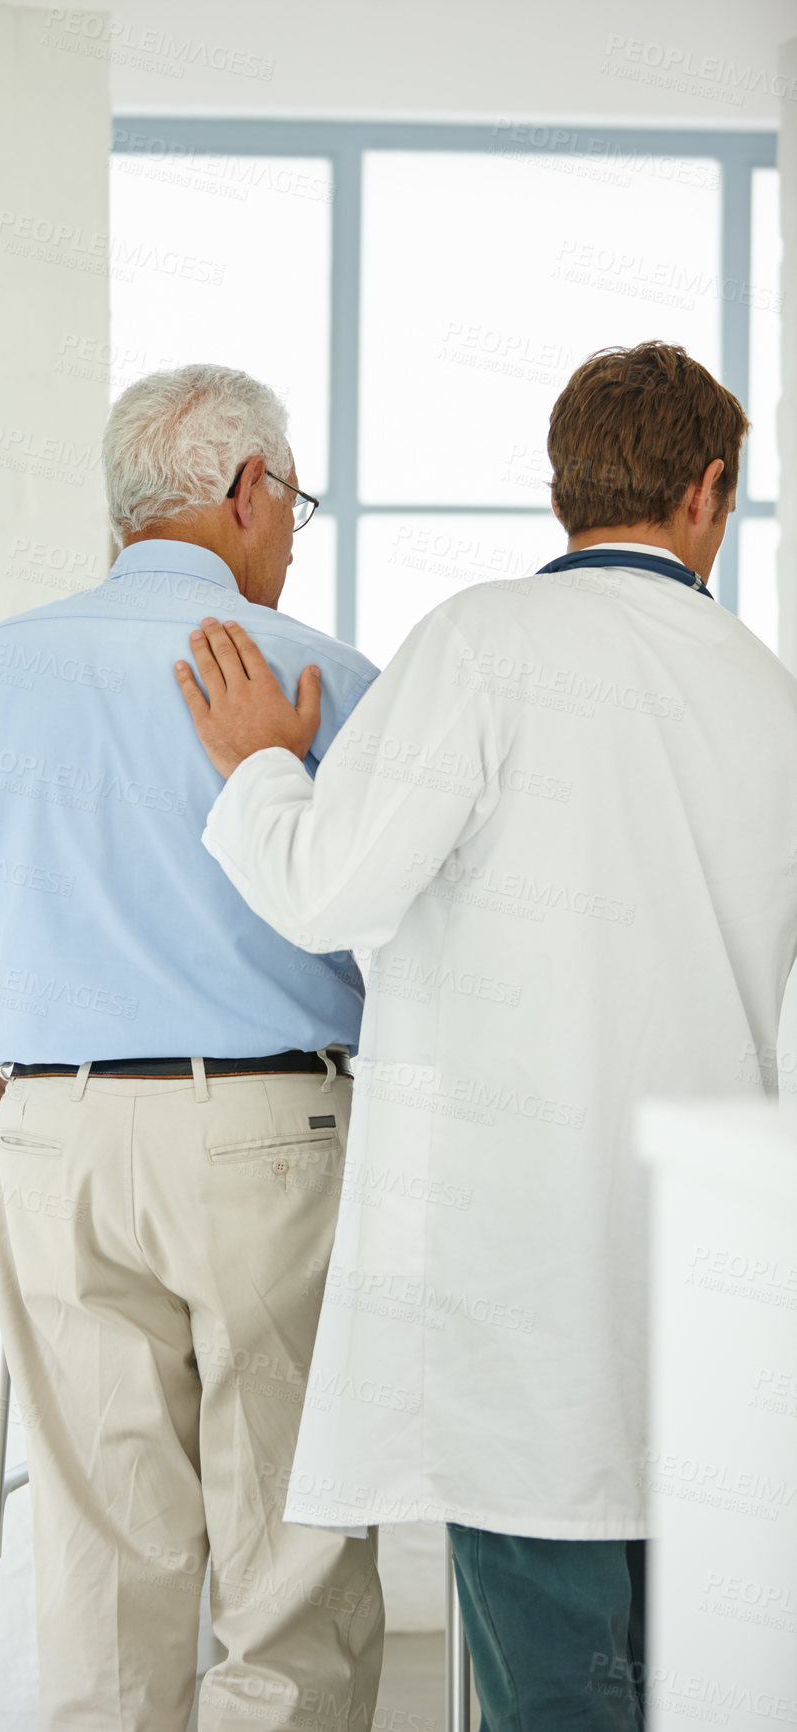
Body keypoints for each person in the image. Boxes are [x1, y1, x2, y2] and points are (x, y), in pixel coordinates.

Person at [174, 342, 797, 1730]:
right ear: (710, 493)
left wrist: (262, 762)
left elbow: (326, 888)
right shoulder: (768, 694)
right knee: (708, 1674)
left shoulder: (483, 643)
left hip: (515, 1267)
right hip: (714, 1262)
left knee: (554, 1672)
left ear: (562, 485)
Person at [0, 363, 385, 1729]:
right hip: (275, 1141)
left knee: (101, 1552)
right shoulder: (326, 678)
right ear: (245, 491)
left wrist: (17, 1127)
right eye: (294, 501)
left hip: (56, 1141)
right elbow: (423, 956)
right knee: (290, 1550)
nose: (292, 532)